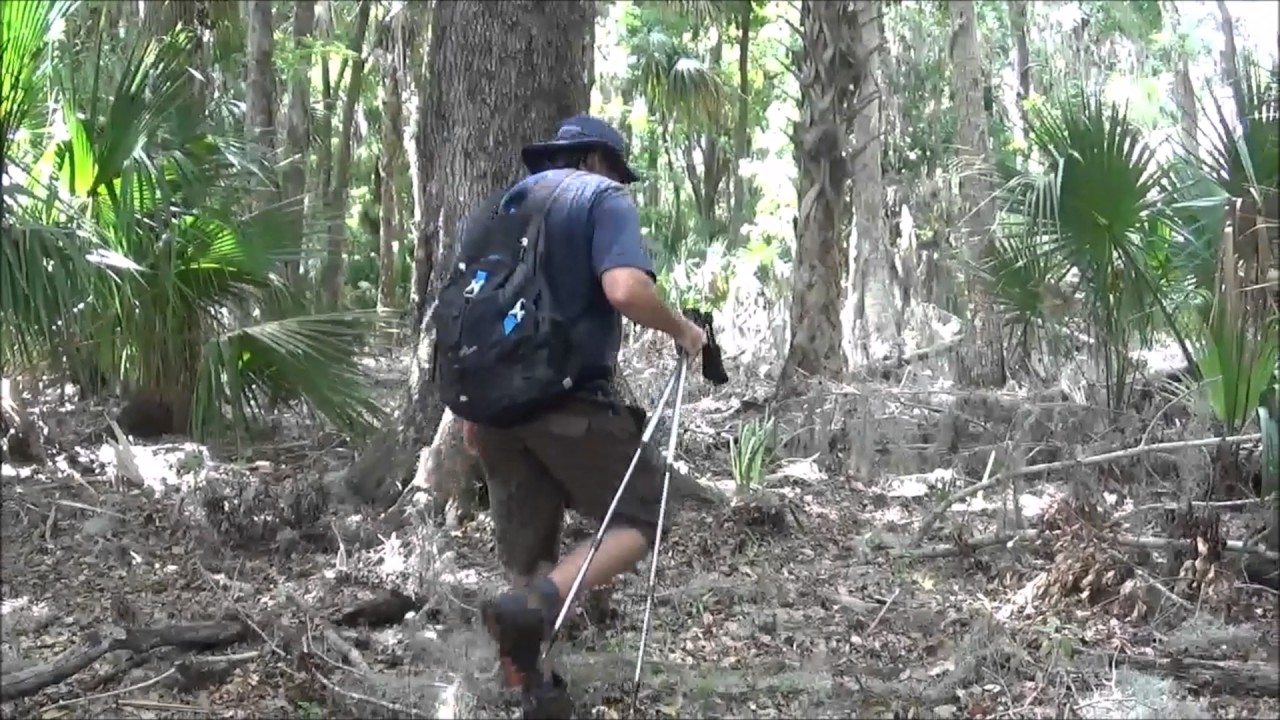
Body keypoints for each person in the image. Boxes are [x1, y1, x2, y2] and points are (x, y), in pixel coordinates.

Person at [461, 115, 706, 703]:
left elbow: (469, 313)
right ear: (597, 160)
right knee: (644, 515)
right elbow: (624, 288)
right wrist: (682, 330)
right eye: (617, 169)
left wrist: (472, 410)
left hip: (492, 409)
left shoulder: (498, 210)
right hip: (564, 401)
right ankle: (534, 609)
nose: (618, 179)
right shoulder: (602, 196)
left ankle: (533, 689)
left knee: (529, 552)